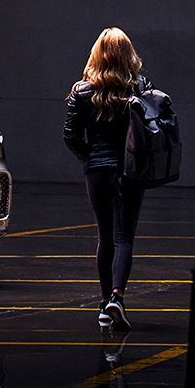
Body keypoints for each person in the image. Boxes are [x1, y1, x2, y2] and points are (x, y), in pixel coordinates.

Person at [63, 27, 151, 331]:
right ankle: (117, 297)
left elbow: (70, 135)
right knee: (124, 236)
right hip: (130, 170)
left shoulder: (82, 91)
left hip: (97, 171)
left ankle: (104, 304)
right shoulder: (138, 88)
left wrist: (88, 158)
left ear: (96, 55)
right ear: (128, 55)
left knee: (105, 236)